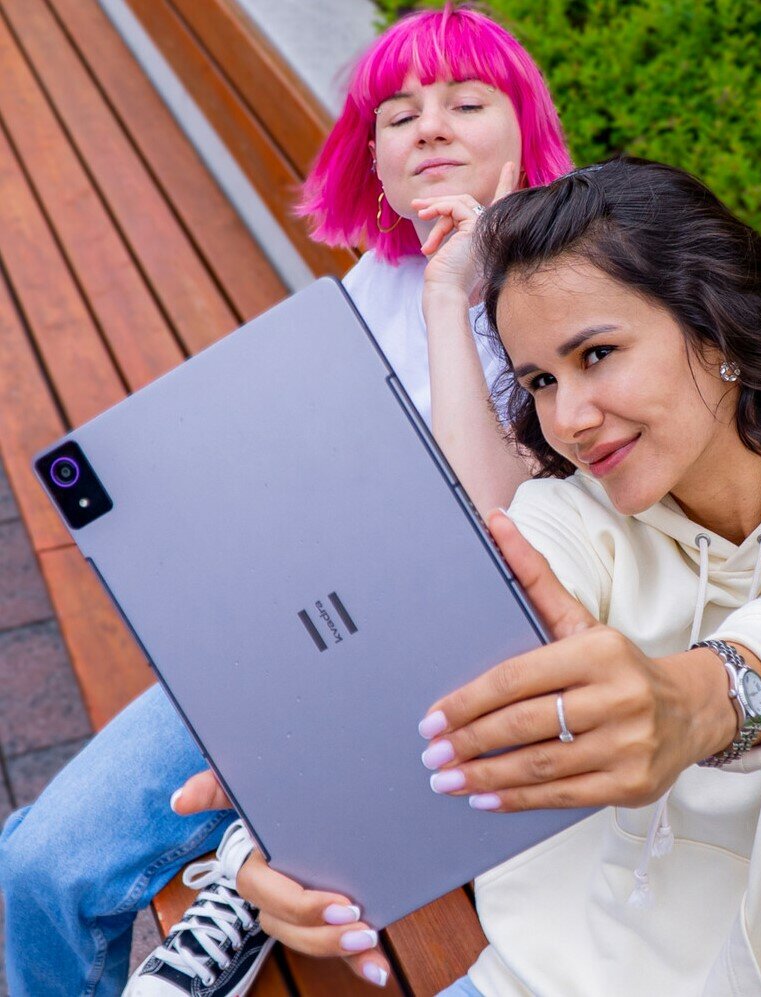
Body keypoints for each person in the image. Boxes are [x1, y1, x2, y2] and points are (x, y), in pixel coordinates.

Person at [176, 158, 761, 995]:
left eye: (597, 353)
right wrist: (278, 825)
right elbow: (428, 665)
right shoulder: (572, 518)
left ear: (716, 324)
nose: (569, 419)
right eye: (540, 381)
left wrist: (708, 697)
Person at [0, 6, 571, 995]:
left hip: (443, 676)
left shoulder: (568, 294)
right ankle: (246, 844)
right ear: (375, 160)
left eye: (467, 104)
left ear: (526, 131)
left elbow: (484, 535)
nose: (430, 127)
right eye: (399, 116)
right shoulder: (372, 282)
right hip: (298, 637)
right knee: (38, 863)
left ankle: (245, 859)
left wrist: (455, 292)